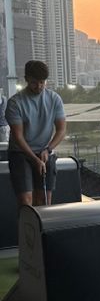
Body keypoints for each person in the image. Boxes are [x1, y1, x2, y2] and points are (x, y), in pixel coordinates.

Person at [5, 60, 66, 208]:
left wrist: (48, 149)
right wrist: (34, 158)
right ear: (26, 79)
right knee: (26, 201)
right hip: (21, 153)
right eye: (34, 82)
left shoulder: (54, 99)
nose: (38, 86)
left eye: (41, 82)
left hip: (45, 152)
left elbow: (61, 130)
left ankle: (42, 232)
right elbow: (18, 137)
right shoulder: (15, 103)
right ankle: (26, 231)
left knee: (44, 201)